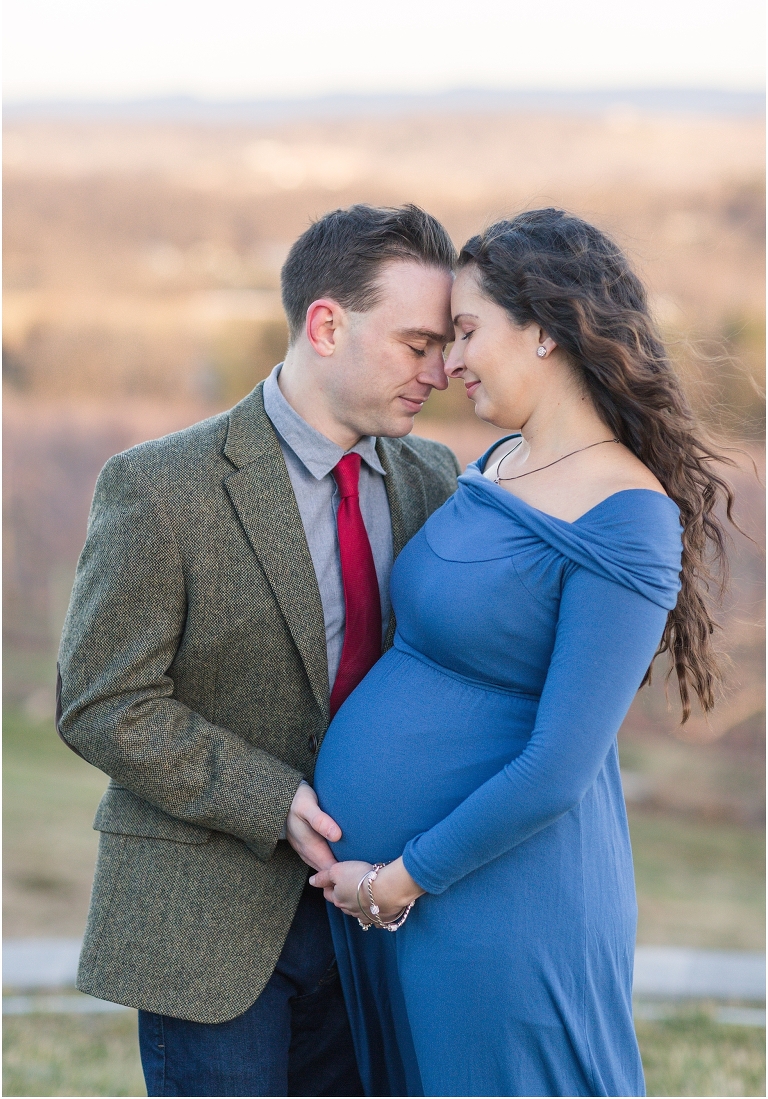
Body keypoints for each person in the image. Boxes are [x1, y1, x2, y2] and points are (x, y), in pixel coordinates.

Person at [312, 208, 737, 1098]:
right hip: (407, 898)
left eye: (467, 332)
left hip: (496, 906)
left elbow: (557, 768)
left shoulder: (628, 515)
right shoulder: (499, 462)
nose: (449, 362)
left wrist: (399, 880)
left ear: (545, 328)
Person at [56, 203, 461, 1098]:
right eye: (417, 345)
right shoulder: (159, 486)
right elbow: (101, 700)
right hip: (208, 922)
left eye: (445, 347)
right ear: (327, 325)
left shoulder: (436, 479)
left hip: (375, 923)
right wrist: (271, 798)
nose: (440, 372)